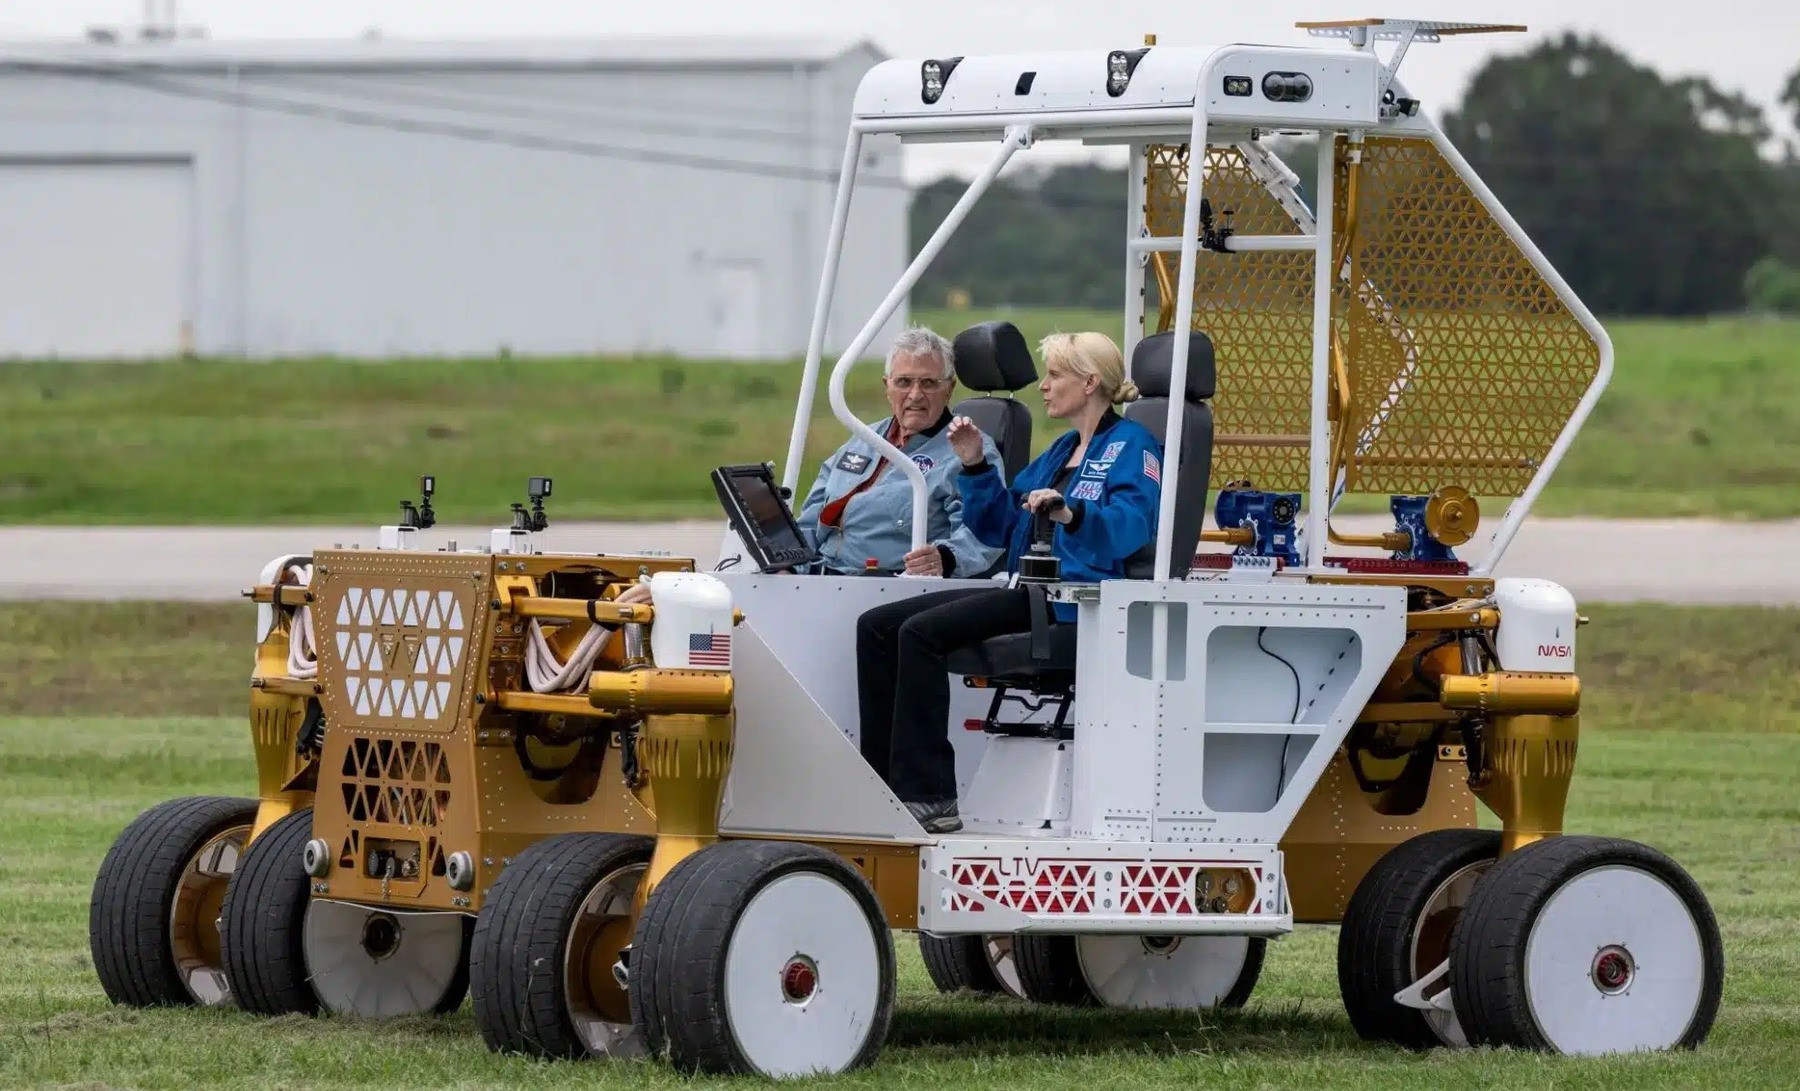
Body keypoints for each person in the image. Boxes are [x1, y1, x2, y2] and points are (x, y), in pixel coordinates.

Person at [855, 332, 1162, 832]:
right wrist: (974, 462)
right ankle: (880, 782)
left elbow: (1131, 525)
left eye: (1055, 375)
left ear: (1089, 383)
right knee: (877, 626)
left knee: (920, 635)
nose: (1044, 386)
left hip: (1071, 601)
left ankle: (929, 795)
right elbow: (999, 526)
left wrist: (1070, 512)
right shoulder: (1062, 449)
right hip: (1026, 588)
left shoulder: (1133, 446)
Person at [794, 327, 1004, 577]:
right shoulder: (864, 437)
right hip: (819, 575)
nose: (915, 395)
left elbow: (984, 534)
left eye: (929, 383)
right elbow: (809, 518)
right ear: (887, 387)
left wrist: (944, 559)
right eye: (904, 382)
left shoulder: (970, 450)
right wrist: (789, 564)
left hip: (885, 585)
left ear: (949, 389)